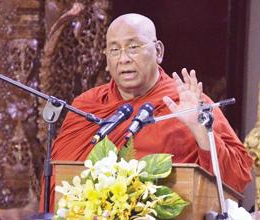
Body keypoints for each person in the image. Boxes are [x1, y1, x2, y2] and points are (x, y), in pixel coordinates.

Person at [40, 13, 253, 213]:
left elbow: (237, 177)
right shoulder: (86, 106)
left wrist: (199, 129)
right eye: (114, 50)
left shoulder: (187, 103)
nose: (123, 58)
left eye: (133, 47)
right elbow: (57, 183)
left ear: (158, 51)